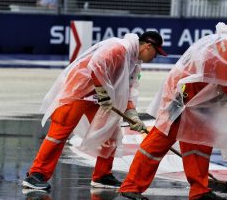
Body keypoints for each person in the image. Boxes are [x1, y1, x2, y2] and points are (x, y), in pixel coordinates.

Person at [119, 16, 227, 200]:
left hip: (199, 104)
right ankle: (131, 186)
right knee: (157, 143)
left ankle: (199, 190)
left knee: (200, 144)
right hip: (183, 100)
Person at [22, 31, 167, 191]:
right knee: (59, 133)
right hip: (79, 91)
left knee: (111, 132)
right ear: (148, 46)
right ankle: (36, 174)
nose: (155, 57)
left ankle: (102, 175)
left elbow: (128, 89)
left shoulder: (133, 63)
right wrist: (102, 91)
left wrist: (132, 113)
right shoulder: (118, 48)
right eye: (156, 53)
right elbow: (95, 65)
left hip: (99, 97)